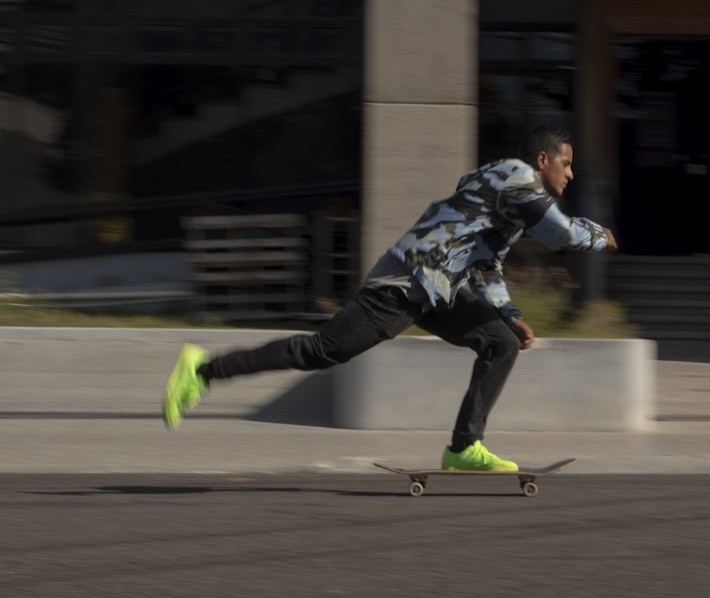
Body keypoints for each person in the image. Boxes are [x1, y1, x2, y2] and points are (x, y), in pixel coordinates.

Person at [162, 126, 618, 471]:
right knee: (322, 351)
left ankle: (462, 448)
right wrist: (599, 236)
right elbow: (560, 231)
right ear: (544, 160)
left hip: (439, 289)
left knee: (500, 342)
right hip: (406, 282)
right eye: (568, 164)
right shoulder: (517, 177)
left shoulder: (513, 206)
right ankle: (203, 370)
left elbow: (485, 265)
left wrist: (510, 314)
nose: (571, 174)